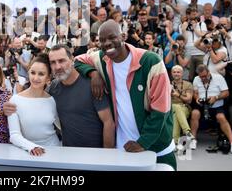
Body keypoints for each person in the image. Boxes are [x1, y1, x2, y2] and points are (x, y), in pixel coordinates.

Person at [74, 20, 176, 170]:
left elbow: (161, 110)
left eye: (111, 37)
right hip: (123, 147)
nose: (107, 43)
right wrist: (93, 73)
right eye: (102, 40)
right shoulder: (101, 59)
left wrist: (143, 143)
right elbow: (77, 61)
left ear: (123, 36)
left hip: (156, 147)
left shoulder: (151, 61)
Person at [4, 45, 115, 148]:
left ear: (72, 60)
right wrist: (8, 108)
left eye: (61, 61)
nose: (58, 66)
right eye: (53, 62)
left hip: (95, 154)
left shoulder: (93, 84)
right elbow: (35, 100)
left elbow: (108, 122)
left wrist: (106, 156)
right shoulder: (53, 88)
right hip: (66, 155)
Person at [7, 54, 61, 155]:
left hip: (54, 150)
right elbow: (14, 135)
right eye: (33, 73)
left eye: (41, 74)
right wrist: (32, 147)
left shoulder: (52, 100)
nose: (35, 78)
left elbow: (61, 126)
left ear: (48, 78)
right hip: (26, 151)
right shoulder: (15, 100)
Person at [190, 64, 232, 153]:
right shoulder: (196, 79)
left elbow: (226, 93)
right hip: (202, 104)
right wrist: (197, 98)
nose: (203, 78)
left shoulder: (218, 77)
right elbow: (195, 93)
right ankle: (193, 139)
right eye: (201, 77)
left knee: (221, 117)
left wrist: (215, 97)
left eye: (205, 76)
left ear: (209, 72)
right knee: (194, 114)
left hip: (216, 104)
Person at [170, 65, 194, 149]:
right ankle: (187, 132)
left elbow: (189, 100)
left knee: (176, 112)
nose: (176, 74)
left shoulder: (188, 84)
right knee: (175, 107)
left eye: (178, 72)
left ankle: (174, 141)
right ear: (171, 73)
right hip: (170, 108)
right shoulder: (168, 84)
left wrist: (178, 95)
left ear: (182, 73)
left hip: (184, 108)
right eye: (174, 72)